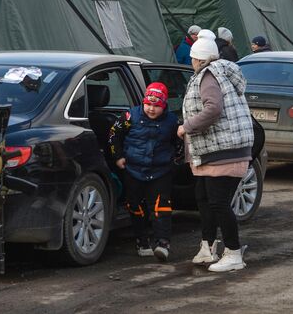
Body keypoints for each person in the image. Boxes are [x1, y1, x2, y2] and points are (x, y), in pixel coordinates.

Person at [177, 29, 254, 272]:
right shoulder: (215, 73)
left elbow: (213, 109)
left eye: (192, 58)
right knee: (204, 197)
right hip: (217, 150)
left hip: (224, 150)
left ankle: (233, 253)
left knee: (218, 202)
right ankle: (208, 246)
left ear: (197, 59)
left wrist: (186, 127)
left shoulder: (208, 76)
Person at [108, 82, 179, 261]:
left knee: (161, 207)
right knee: (136, 207)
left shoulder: (172, 121)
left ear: (164, 106)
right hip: (133, 170)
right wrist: (118, 156)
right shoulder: (129, 116)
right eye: (148, 105)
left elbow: (177, 143)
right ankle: (142, 241)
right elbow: (113, 135)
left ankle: (163, 243)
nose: (152, 109)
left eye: (157, 106)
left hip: (160, 171)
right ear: (143, 102)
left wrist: (175, 159)